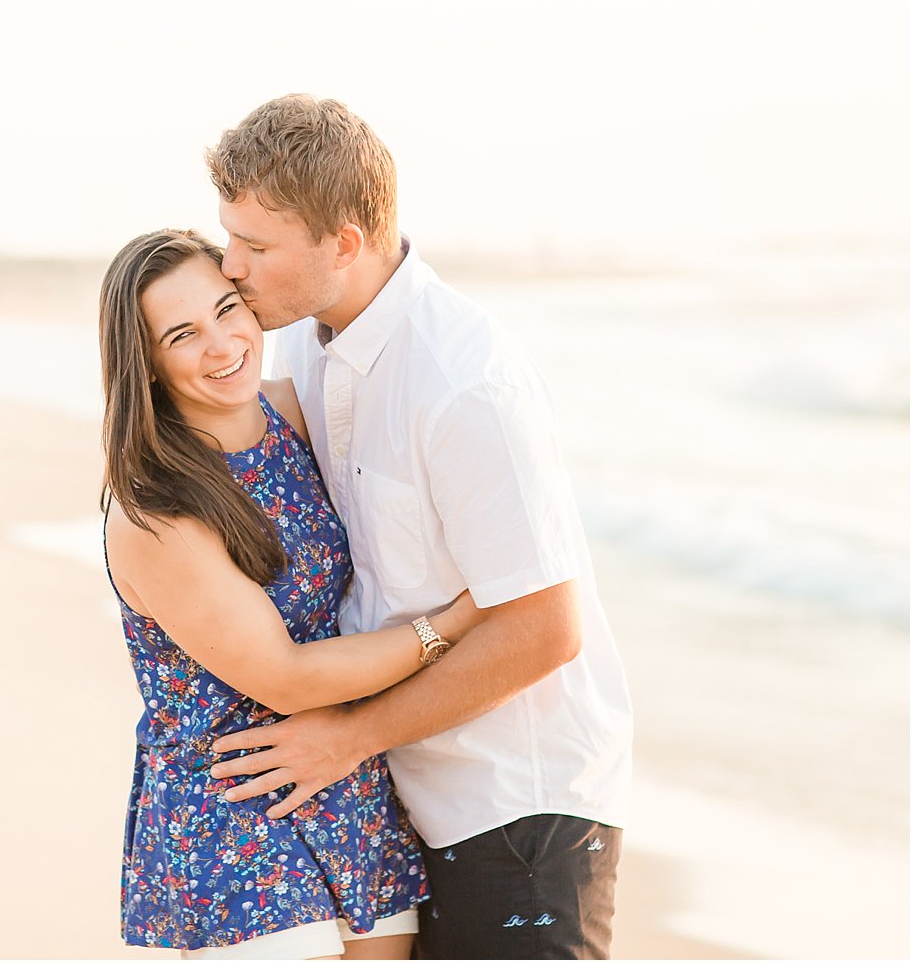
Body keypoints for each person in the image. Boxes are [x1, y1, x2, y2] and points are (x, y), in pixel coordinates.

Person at [202, 95, 634, 960]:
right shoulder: (307, 345)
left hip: (518, 811)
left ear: (346, 243)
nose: (231, 265)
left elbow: (545, 629)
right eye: (229, 237)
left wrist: (348, 737)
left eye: (255, 245)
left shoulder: (465, 383)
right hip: (404, 797)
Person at [99, 228, 490, 960]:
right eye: (183, 334)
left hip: (347, 782)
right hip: (234, 802)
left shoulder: (293, 414)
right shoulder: (156, 508)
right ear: (145, 364)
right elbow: (286, 674)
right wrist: (460, 619)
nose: (222, 346)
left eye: (227, 309)